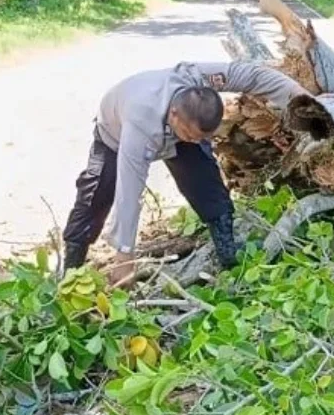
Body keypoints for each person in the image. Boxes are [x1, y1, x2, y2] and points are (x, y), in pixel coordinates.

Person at [63, 60, 308, 283]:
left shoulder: (196, 78)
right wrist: (124, 258)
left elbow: (251, 75)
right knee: (95, 196)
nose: (194, 140)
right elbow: (129, 192)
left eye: (201, 136)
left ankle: (228, 255)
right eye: (191, 135)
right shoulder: (141, 122)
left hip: (174, 133)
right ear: (174, 114)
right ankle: (71, 272)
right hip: (115, 136)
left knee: (207, 182)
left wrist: (303, 99)